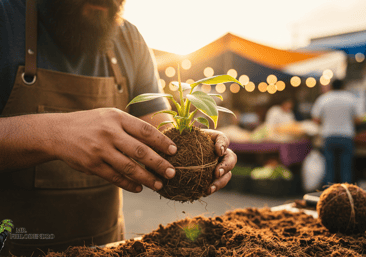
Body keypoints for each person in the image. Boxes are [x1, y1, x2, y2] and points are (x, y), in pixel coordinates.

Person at [0, 0, 237, 255]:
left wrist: (193, 144)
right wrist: (54, 133)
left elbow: (155, 127)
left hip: (107, 247)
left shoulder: (128, 37)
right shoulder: (6, 17)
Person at [311, 79, 362, 187]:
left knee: (329, 167)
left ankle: (328, 194)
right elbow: (358, 119)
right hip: (346, 136)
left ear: (331, 87)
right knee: (346, 167)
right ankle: (347, 194)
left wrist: (327, 120)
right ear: (343, 86)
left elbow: (315, 119)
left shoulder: (324, 98)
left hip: (329, 136)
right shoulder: (351, 98)